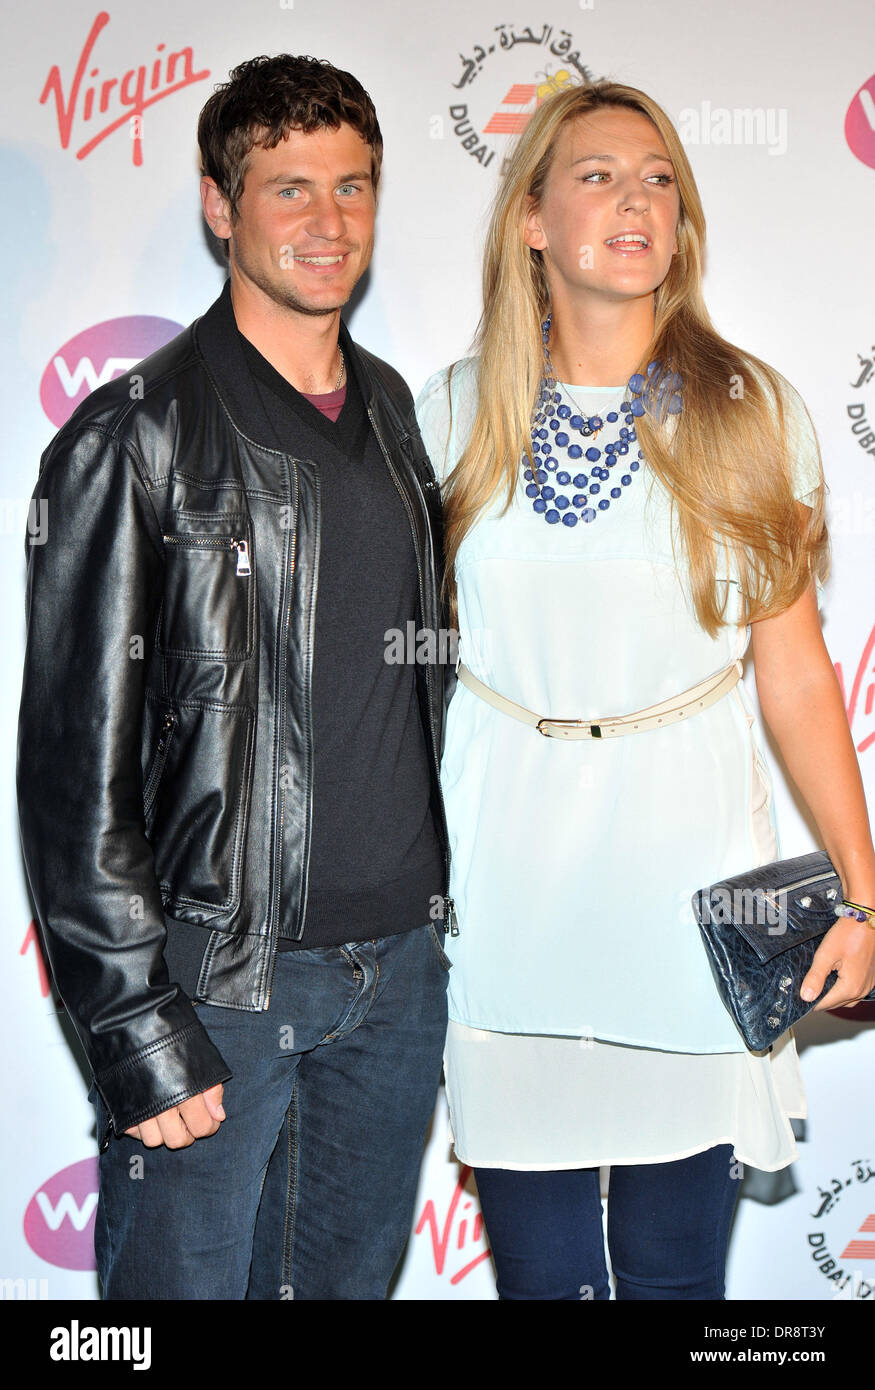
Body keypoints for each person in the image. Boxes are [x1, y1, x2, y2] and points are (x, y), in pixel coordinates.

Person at [415, 78, 875, 1301]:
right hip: (505, 891)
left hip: (684, 890)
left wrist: (867, 896)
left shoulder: (750, 410)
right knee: (541, 1274)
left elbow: (791, 676)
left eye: (659, 176)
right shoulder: (448, 413)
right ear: (529, 219)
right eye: (598, 174)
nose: (635, 199)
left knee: (675, 1271)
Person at [16, 54, 454, 1301]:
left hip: (399, 979)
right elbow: (70, 771)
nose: (329, 224)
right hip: (222, 982)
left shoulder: (389, 412)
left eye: (354, 188)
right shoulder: (134, 434)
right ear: (220, 204)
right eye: (290, 189)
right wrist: (135, 1029)